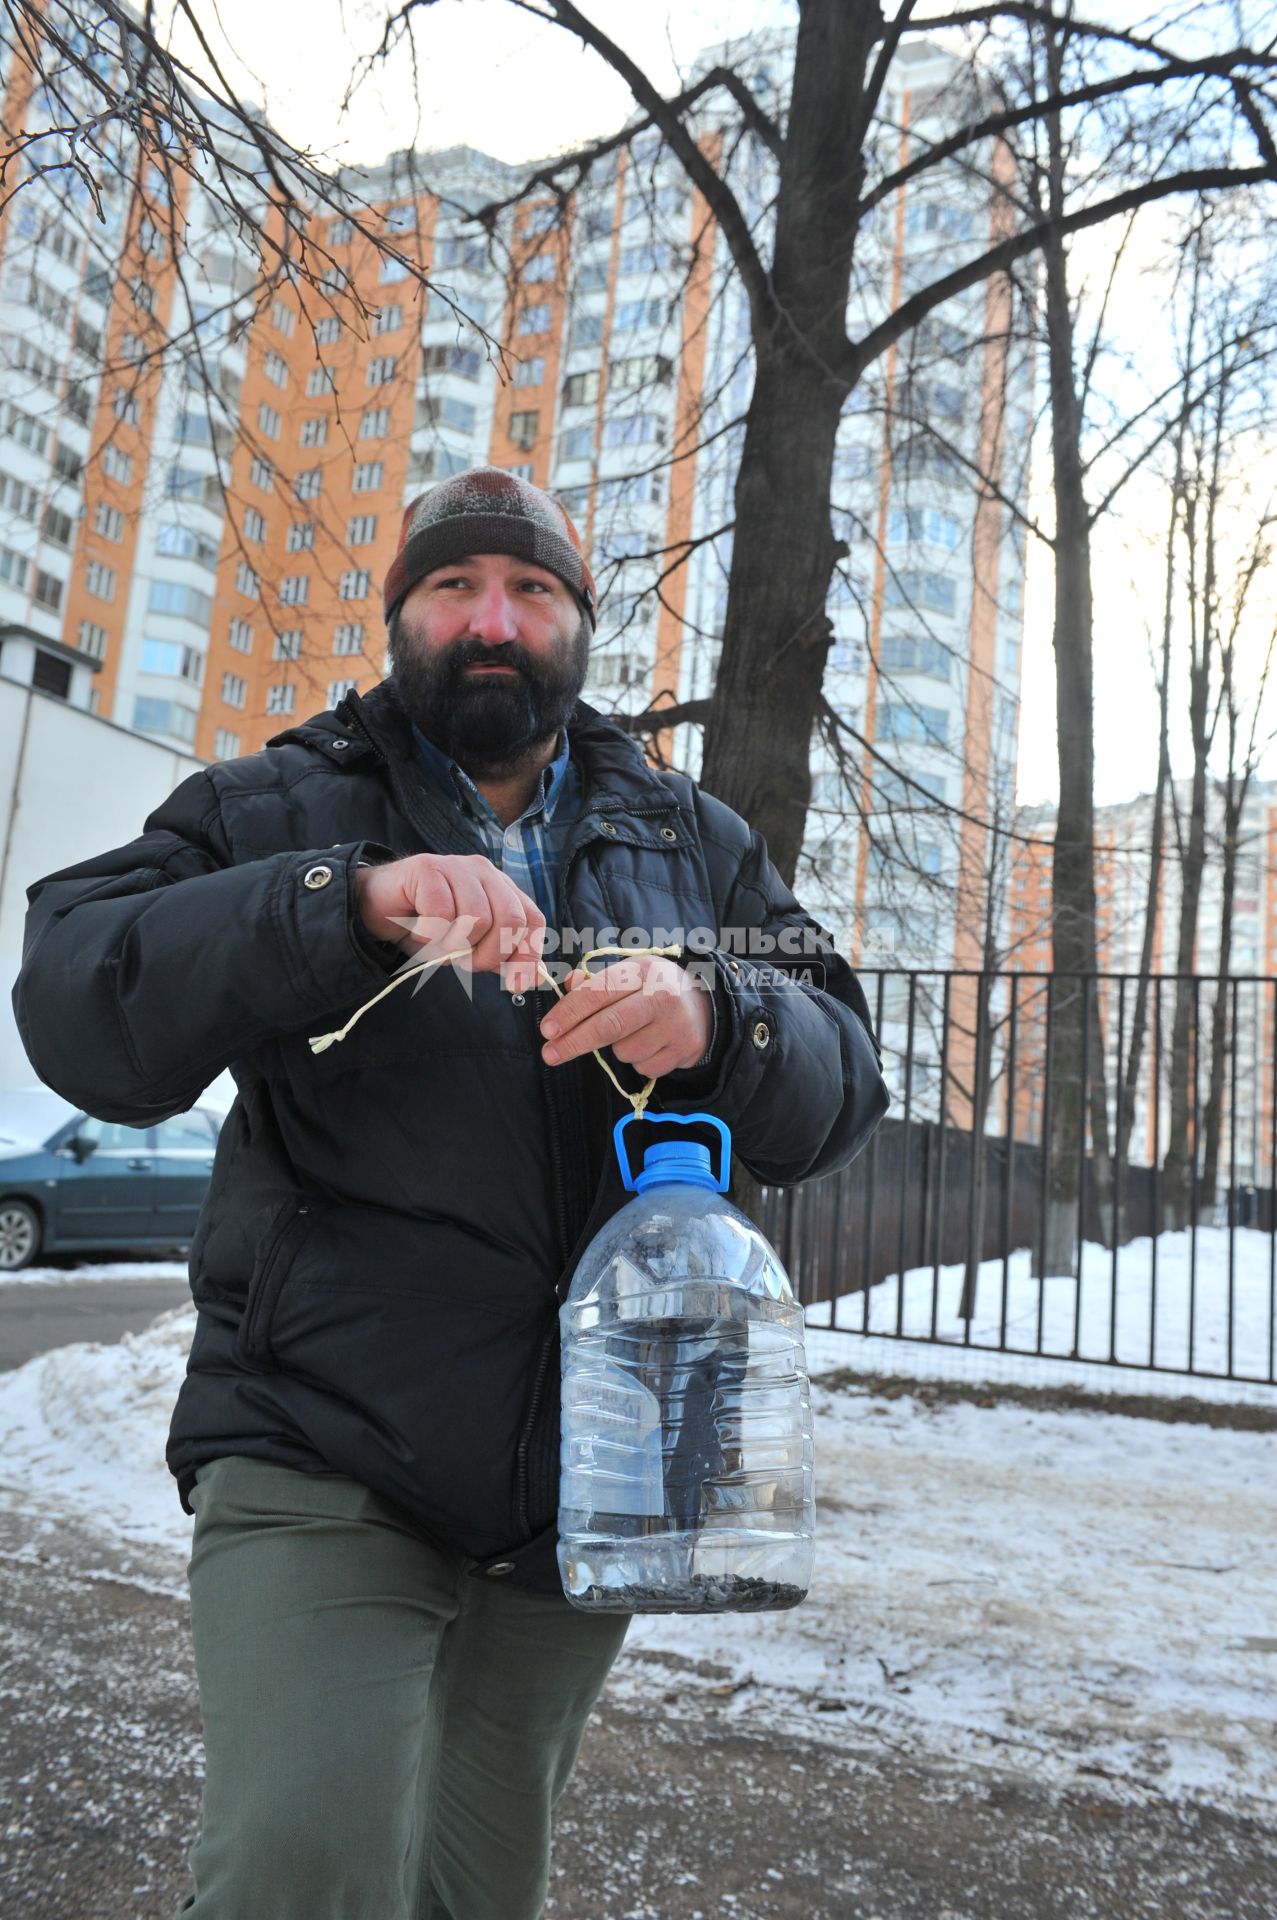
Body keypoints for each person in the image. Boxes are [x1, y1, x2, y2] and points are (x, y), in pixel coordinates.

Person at [12, 467, 889, 1919]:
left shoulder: (694, 844)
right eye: (454, 587)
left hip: (595, 1475)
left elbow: (840, 1074)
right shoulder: (274, 803)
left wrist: (721, 1017)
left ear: (576, 626)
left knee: (474, 1888)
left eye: (531, 589)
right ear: (401, 617)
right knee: (304, 1866)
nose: (494, 617)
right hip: (322, 1443)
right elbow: (75, 998)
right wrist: (337, 907)